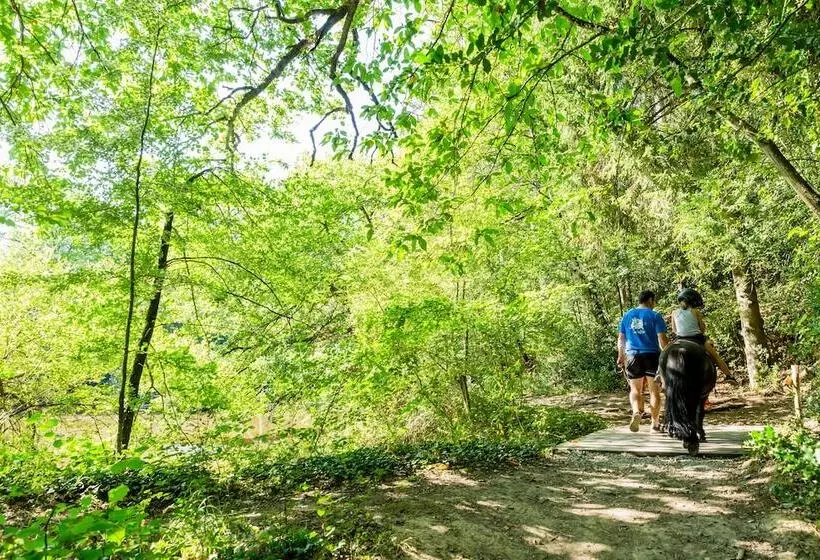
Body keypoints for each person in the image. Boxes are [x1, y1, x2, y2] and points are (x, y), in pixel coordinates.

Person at [617, 290, 669, 433]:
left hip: (633, 356)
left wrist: (621, 355)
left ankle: (636, 412)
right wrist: (668, 352)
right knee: (654, 391)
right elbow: (662, 339)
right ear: (650, 300)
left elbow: (621, 338)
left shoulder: (627, 315)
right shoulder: (655, 315)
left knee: (635, 390)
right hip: (652, 356)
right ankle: (655, 424)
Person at [670, 288, 733, 380]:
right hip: (697, 338)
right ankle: (728, 376)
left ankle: (659, 373)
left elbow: (674, 329)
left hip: (680, 339)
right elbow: (702, 328)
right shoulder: (695, 311)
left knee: (665, 353)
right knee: (715, 356)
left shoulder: (674, 312)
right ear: (691, 301)